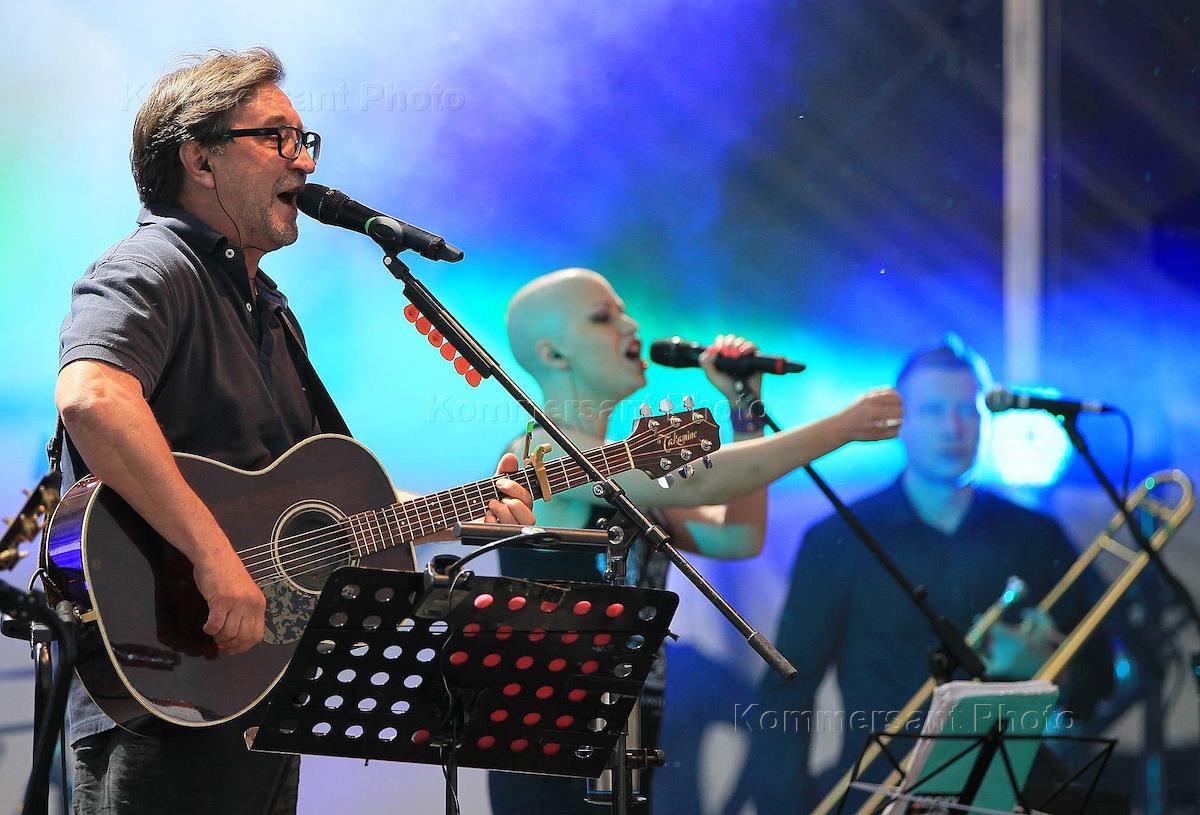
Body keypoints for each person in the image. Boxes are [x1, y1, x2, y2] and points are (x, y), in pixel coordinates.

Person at [54, 48, 534, 815]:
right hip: (168, 692)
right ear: (199, 158)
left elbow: (313, 511)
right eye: (277, 137)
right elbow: (93, 398)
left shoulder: (270, 312)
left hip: (257, 694)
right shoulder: (151, 267)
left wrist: (466, 510)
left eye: (306, 140)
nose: (304, 161)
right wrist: (215, 558)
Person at [487, 267, 905, 813]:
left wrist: (746, 411)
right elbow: (704, 481)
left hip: (629, 727)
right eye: (604, 317)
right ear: (553, 353)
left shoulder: (627, 470)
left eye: (624, 311)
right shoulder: (539, 451)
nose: (631, 326)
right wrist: (841, 427)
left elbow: (735, 536)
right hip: (552, 737)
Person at [724, 338, 1113, 814]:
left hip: (1014, 794)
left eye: (967, 410)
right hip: (881, 797)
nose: (953, 427)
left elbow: (1102, 678)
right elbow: (787, 692)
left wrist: (1053, 669)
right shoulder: (839, 537)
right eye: (932, 411)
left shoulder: (1038, 535)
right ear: (900, 424)